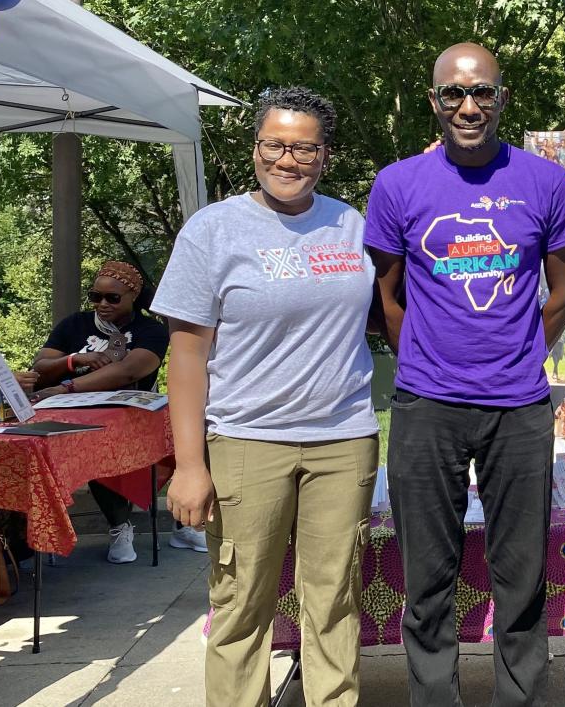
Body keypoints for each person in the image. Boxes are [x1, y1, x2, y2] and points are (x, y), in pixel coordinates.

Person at [366, 42, 565, 707]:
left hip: (517, 407)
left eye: (482, 93)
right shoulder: (397, 184)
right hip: (425, 407)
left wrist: (523, 348)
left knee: (520, 575)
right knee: (427, 578)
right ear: (434, 102)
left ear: (502, 98)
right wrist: (423, 362)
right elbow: (387, 296)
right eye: (454, 95)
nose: (469, 106)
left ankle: (518, 698)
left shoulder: (544, 181)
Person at [157, 86, 381, 707]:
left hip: (343, 440)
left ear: (325, 156)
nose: (288, 159)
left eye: (304, 148)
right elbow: (186, 356)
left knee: (335, 602)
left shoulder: (352, 226)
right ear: (255, 147)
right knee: (240, 605)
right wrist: (190, 464)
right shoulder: (213, 231)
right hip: (245, 443)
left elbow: (399, 306)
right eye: (275, 144)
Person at [29, 260, 189, 561]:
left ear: (133, 297)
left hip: (133, 415)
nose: (102, 304)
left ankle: (185, 522)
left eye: (112, 298)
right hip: (78, 416)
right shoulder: (74, 324)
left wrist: (68, 387)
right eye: (95, 297)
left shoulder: (150, 330)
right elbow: (40, 367)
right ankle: (118, 524)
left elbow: (129, 370)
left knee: (185, 438)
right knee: (91, 450)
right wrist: (74, 360)